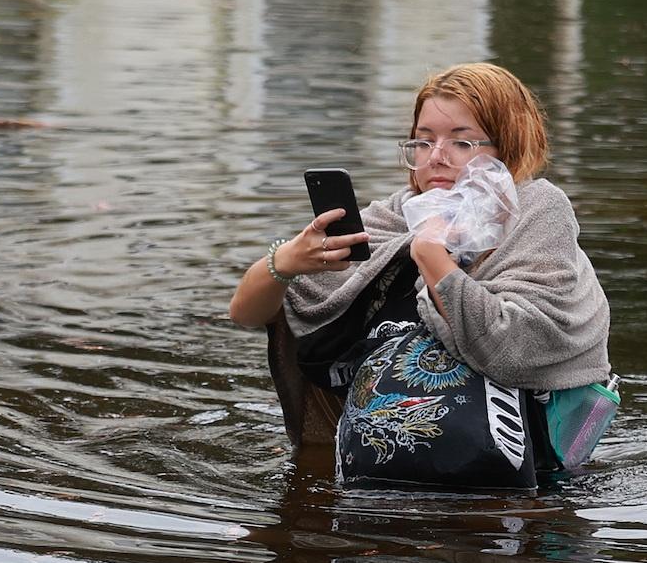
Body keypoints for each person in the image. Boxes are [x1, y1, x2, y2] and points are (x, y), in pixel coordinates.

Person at [227, 62, 611, 453]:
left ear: (507, 145)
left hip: (508, 469)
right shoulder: (398, 214)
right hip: (381, 457)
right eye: (424, 141)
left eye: (462, 143)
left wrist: (431, 255)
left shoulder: (537, 210)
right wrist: (285, 263)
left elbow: (517, 345)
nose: (436, 157)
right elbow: (246, 314)